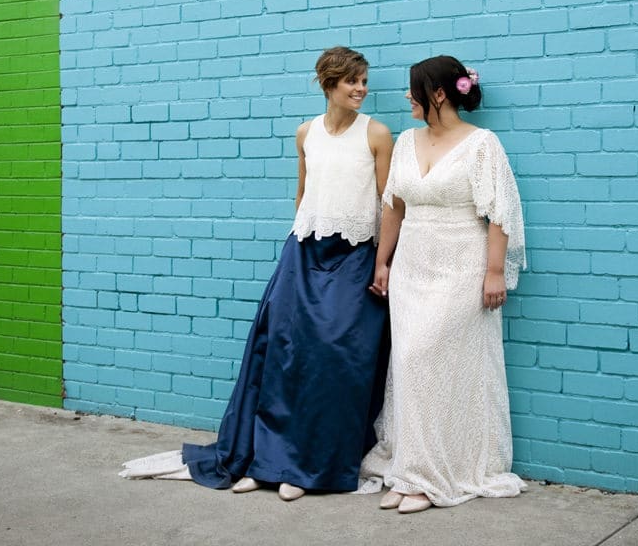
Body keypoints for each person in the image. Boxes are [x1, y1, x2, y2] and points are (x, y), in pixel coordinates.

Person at [120, 46, 393, 501]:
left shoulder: (378, 135)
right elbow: (302, 193)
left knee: (335, 360)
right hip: (303, 253)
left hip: (354, 258)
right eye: (353, 82)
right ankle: (267, 462)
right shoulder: (305, 133)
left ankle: (309, 469)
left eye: (364, 81)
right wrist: (296, 249)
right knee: (281, 355)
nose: (362, 89)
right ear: (329, 83)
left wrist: (383, 261)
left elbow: (388, 206)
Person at [360, 55, 527, 514]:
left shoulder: (482, 145)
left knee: (434, 363)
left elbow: (501, 213)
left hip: (461, 269)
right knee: (412, 369)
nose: (407, 98)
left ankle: (430, 477)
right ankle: (411, 467)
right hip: (414, 267)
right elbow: (393, 207)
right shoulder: (408, 141)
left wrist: (494, 272)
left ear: (438, 94)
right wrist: (383, 262)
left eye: (414, 91)